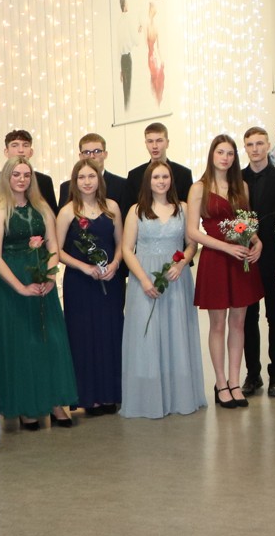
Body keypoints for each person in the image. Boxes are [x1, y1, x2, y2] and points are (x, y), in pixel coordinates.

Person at [0, 159, 78, 429]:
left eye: (26, 175)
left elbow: (53, 247)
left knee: (50, 342)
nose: (22, 179)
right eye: (16, 174)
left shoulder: (42, 208)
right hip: (11, 285)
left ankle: (55, 401)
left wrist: (49, 277)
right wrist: (20, 287)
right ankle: (26, 406)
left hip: (40, 280)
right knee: (22, 345)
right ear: (7, 177)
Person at [121, 160, 205, 419]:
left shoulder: (183, 208)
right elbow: (127, 249)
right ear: (148, 181)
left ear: (171, 180)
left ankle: (179, 394)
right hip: (144, 278)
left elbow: (192, 243)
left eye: (165, 177)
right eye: (156, 177)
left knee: (176, 332)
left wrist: (181, 263)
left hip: (176, 278)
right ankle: (150, 397)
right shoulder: (136, 211)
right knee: (147, 336)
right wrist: (144, 280)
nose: (161, 181)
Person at [189, 135, 261, 410]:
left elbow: (246, 223)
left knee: (239, 324)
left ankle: (235, 381)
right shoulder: (199, 188)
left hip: (241, 259)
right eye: (221, 152)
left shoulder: (241, 186)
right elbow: (192, 231)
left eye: (230, 153)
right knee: (218, 325)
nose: (225, 158)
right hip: (216, 259)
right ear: (212, 154)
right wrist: (225, 247)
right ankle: (220, 383)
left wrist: (257, 241)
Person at [54, 159, 125, 415]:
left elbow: (121, 243)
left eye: (91, 176)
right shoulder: (67, 212)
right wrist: (84, 267)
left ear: (99, 179)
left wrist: (115, 264)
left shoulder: (112, 207)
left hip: (109, 281)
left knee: (110, 334)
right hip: (80, 283)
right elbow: (57, 251)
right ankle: (89, 397)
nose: (87, 182)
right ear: (75, 181)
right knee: (83, 337)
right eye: (81, 177)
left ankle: (110, 393)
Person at [239, 127, 275, 399]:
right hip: (246, 261)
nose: (255, 149)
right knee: (247, 319)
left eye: (260, 143)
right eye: (250, 144)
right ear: (245, 148)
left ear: (268, 145)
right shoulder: (237, 180)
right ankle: (253, 374)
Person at [0, 131, 56, 217]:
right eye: (15, 145)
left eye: (25, 145)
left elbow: (53, 215)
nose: (21, 150)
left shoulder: (44, 181)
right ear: (6, 152)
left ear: (31, 152)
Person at [127, 122, 194, 209]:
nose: (154, 146)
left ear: (167, 143)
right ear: (146, 144)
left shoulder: (183, 174)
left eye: (159, 141)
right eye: (150, 141)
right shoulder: (134, 176)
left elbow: (190, 209)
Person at [57, 133, 130, 211]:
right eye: (86, 152)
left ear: (105, 154)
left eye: (97, 151)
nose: (92, 156)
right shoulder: (66, 187)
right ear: (80, 156)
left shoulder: (121, 185)